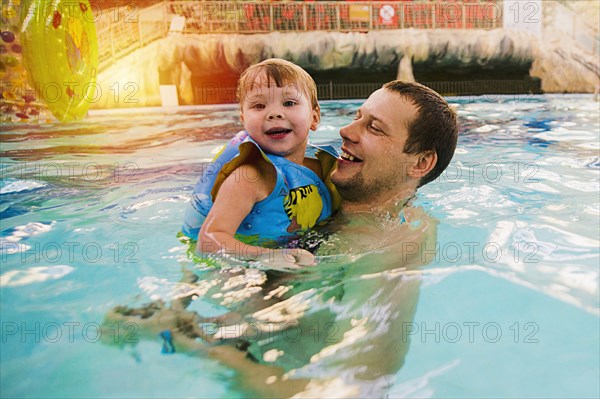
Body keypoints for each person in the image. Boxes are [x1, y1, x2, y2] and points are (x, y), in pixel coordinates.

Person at [109, 80, 458, 397]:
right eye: (357, 116)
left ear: (421, 163)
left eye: (374, 127)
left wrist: (200, 345)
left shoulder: (396, 240)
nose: (346, 131)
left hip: (269, 364)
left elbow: (360, 384)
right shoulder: (315, 188)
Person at [181, 59, 340, 270]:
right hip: (239, 267)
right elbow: (209, 241)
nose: (274, 113)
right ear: (243, 119)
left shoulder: (322, 168)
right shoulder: (250, 178)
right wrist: (268, 256)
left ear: (314, 116)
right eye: (259, 106)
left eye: (289, 103)